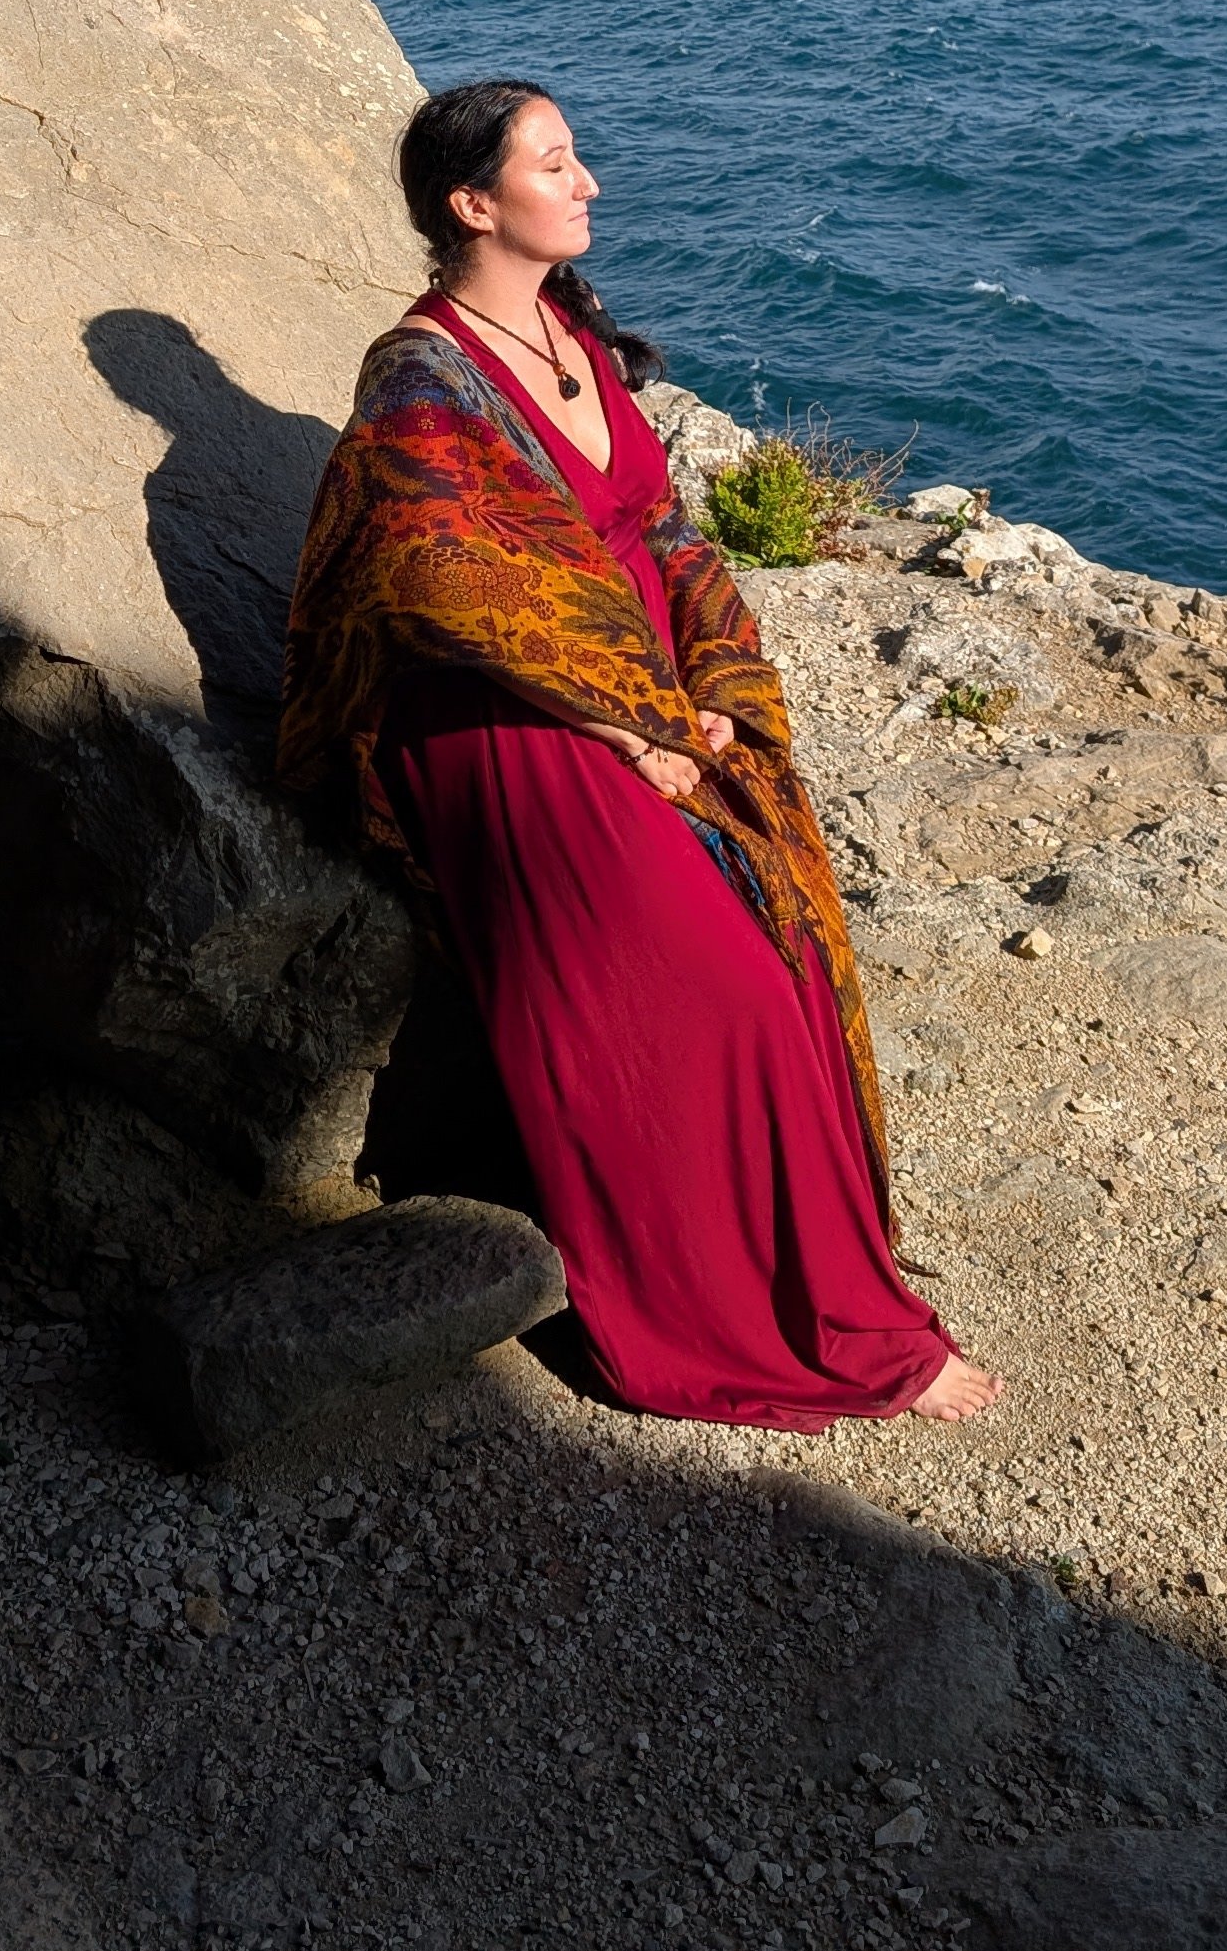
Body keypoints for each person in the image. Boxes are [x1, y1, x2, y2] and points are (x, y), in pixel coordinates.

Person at [274, 76, 1001, 1433]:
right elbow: (435, 585)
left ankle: (833, 1286)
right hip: (496, 719)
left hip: (632, 689)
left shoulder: (572, 339)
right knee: (715, 991)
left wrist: (708, 682)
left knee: (783, 938)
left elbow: (663, 531)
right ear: (472, 204)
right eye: (557, 164)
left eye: (578, 158)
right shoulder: (420, 374)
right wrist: (624, 721)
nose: (590, 181)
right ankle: (729, 1319)